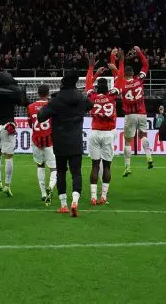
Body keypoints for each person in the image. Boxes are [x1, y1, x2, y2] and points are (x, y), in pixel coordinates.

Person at [38, 70, 93, 217]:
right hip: (75, 141)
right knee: (76, 173)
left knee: (61, 172)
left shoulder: (56, 99)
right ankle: (75, 201)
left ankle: (63, 205)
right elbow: (90, 105)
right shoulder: (81, 97)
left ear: (63, 82)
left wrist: (48, 106)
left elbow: (40, 117)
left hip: (60, 142)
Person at [86, 52, 124, 206]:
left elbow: (88, 83)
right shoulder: (112, 95)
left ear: (97, 88)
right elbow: (120, 81)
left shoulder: (92, 96)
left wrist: (91, 69)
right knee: (107, 166)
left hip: (94, 133)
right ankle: (103, 197)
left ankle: (93, 197)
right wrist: (119, 64)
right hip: (108, 133)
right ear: (108, 87)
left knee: (95, 165)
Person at [109, 46, 153, 175]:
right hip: (142, 114)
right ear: (133, 73)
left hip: (129, 115)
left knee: (128, 141)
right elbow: (145, 65)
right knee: (143, 135)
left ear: (124, 74)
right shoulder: (139, 79)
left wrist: (113, 55)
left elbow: (113, 69)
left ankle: (128, 167)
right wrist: (139, 52)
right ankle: (148, 156)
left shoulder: (120, 81)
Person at [27, 84, 57, 205]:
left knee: (40, 165)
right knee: (54, 168)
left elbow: (30, 123)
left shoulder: (30, 107)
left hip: (36, 140)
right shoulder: (52, 106)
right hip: (49, 140)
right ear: (48, 93)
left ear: (38, 94)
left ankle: (43, 193)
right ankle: (50, 187)